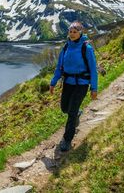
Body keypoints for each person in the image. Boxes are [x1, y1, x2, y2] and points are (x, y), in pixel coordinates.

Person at [49, 21, 98, 152]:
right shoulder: (66, 47)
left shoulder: (86, 48)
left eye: (75, 31)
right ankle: (77, 113)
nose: (72, 34)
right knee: (65, 108)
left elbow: (93, 69)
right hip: (68, 82)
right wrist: (53, 82)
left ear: (80, 33)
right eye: (70, 31)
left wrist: (94, 88)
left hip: (81, 84)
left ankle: (67, 139)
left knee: (71, 112)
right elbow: (60, 67)